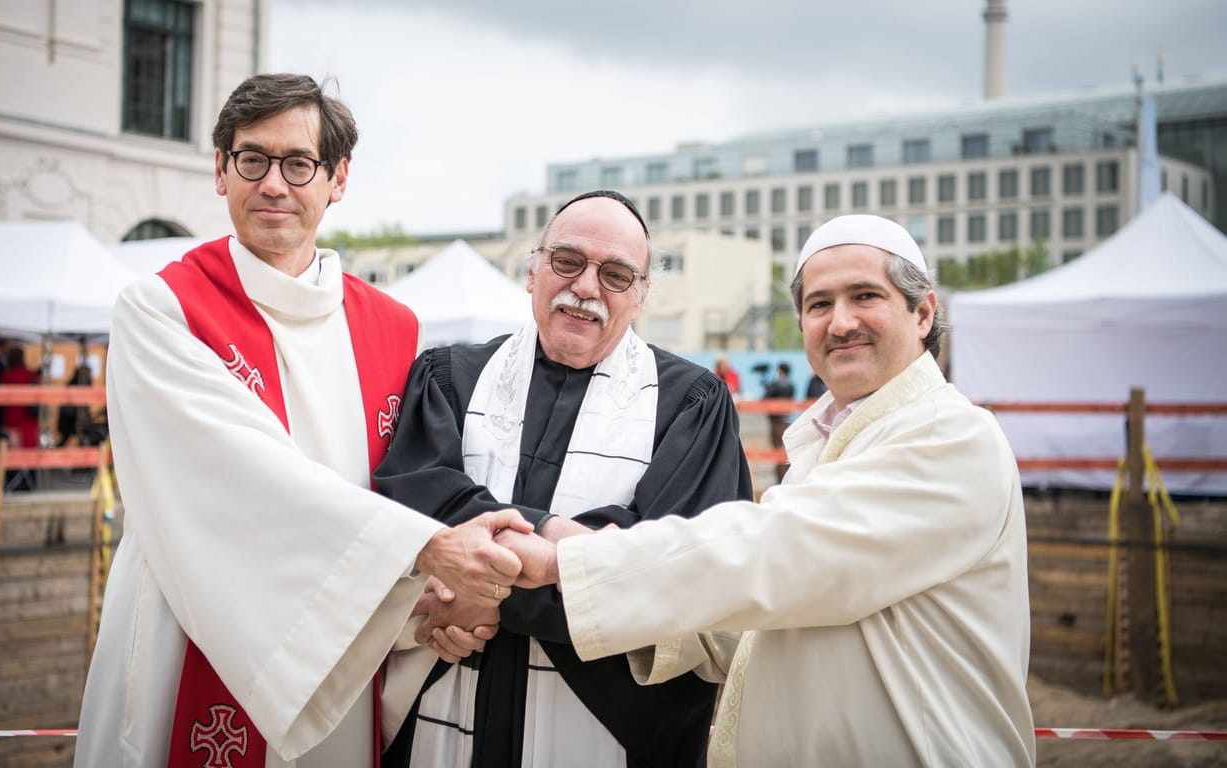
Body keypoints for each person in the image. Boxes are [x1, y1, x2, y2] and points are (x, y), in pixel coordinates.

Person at [75, 73, 534, 768]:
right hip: (187, 623)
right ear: (221, 171)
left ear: (338, 178)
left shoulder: (395, 329)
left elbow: (404, 485)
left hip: (341, 640)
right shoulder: (160, 309)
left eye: (299, 164)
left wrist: (429, 606)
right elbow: (243, 480)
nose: (273, 184)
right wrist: (426, 551)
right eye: (251, 159)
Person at [513, 214, 1036, 766]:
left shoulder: (952, 435)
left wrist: (570, 557)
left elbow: (775, 553)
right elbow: (752, 620)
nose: (840, 323)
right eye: (819, 304)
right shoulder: (827, 446)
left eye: (865, 296)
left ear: (924, 311)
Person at [374, 190, 753, 767]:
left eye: (617, 275)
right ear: (532, 269)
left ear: (642, 295)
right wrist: (552, 535)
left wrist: (491, 600)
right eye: (567, 261)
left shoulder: (689, 405)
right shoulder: (449, 378)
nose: (586, 288)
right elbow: (416, 508)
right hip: (445, 692)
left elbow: (671, 561)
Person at [0, 345, 40, 450]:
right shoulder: (31, 375)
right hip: (27, 419)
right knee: (28, 453)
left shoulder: (6, 376)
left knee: (12, 454)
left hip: (11, 418)